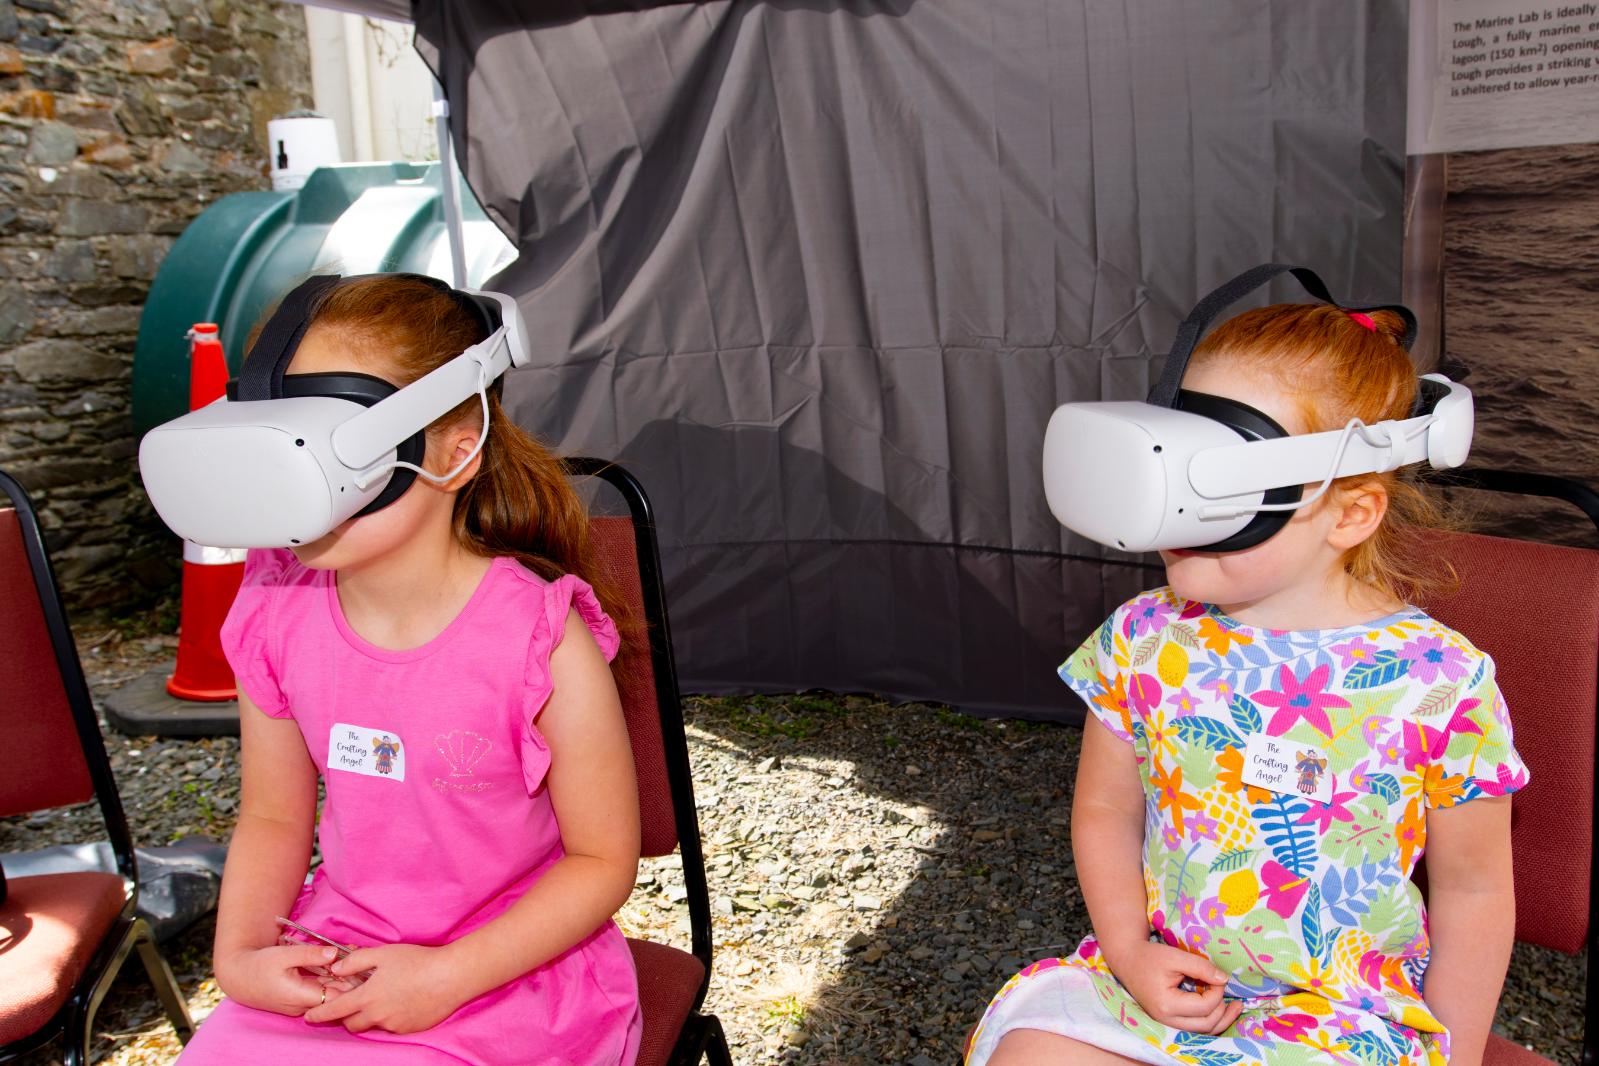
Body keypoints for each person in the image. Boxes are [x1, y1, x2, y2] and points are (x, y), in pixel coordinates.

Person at [966, 303, 1526, 1066]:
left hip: (1340, 1015)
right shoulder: (1145, 635)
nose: (1175, 517)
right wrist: (1129, 950)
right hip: (1161, 983)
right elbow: (1104, 809)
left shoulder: (1439, 683)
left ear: (1350, 513)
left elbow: (1473, 892)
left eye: (1218, 490)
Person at [177, 275, 644, 1065]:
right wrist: (240, 957)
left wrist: (447, 976)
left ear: (454, 453)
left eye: (324, 447)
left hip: (511, 977)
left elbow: (602, 861)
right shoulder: (271, 613)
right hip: (340, 960)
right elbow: (273, 819)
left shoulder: (537, 637)